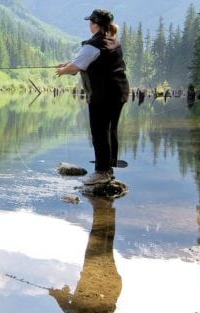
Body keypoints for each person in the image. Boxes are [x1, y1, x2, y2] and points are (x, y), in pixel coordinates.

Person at [56, 9, 130, 185]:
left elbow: (77, 67)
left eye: (90, 22)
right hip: (119, 92)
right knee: (110, 129)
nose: (89, 25)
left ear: (95, 24)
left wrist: (63, 71)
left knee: (99, 132)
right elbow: (85, 61)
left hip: (102, 95)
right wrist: (69, 64)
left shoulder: (93, 44)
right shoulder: (113, 40)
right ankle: (108, 167)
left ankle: (102, 172)